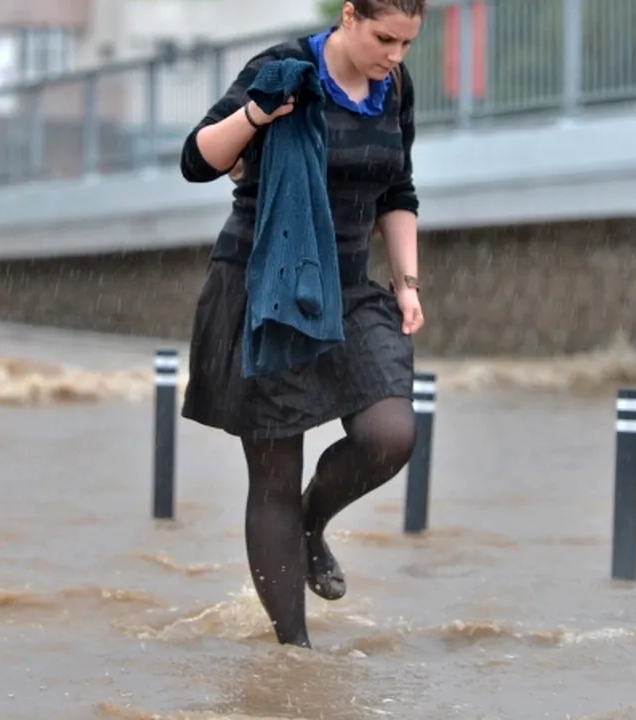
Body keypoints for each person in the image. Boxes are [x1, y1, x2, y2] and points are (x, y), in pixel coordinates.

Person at [179, 0, 427, 648]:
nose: (394, 57)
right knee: (274, 476)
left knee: (390, 434)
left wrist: (406, 284)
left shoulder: (393, 87)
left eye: (406, 44)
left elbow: (397, 192)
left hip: (347, 288)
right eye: (384, 39)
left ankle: (312, 525)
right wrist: (258, 113)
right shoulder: (285, 65)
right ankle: (296, 655)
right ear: (348, 15)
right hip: (266, 288)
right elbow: (196, 159)